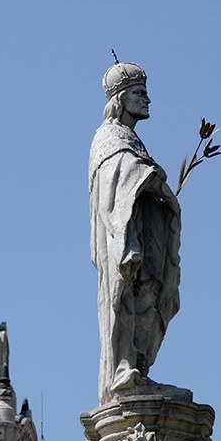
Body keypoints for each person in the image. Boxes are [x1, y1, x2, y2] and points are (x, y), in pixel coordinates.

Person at [89, 61, 181, 404]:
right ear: (121, 98)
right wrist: (150, 178)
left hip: (145, 230)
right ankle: (123, 367)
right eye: (140, 93)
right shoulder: (108, 137)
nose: (147, 100)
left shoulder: (131, 139)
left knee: (148, 297)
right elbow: (115, 178)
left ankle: (139, 366)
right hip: (123, 236)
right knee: (123, 297)